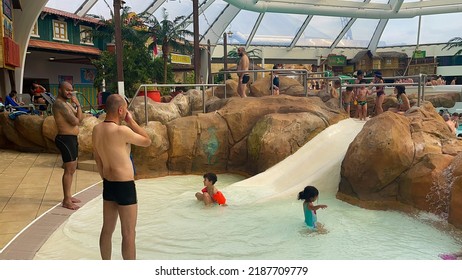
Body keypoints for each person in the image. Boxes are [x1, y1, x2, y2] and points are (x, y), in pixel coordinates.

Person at [92, 94, 152, 260]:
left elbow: (97, 157)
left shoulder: (96, 130)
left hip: (108, 183)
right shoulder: (122, 130)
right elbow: (147, 141)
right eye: (125, 109)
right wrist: (131, 121)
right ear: (120, 110)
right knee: (128, 233)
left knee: (107, 229)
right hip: (125, 185)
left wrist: (104, 177)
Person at [52, 82, 84, 210]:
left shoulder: (67, 104)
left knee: (72, 169)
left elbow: (79, 117)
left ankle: (68, 196)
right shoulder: (59, 104)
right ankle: (66, 200)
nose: (70, 92)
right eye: (67, 90)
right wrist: (77, 108)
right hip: (65, 139)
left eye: (71, 90)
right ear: (60, 90)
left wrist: (78, 104)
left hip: (71, 138)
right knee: (69, 169)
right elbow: (75, 121)